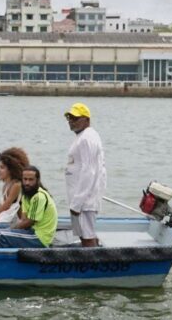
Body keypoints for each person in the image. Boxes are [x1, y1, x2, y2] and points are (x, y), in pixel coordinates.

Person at [64, 102, 107, 247]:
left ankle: (92, 266)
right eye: (69, 118)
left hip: (84, 201)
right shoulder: (83, 137)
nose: (71, 121)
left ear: (86, 120)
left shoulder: (87, 138)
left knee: (87, 236)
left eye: (75, 118)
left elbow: (89, 171)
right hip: (80, 199)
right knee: (84, 235)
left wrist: (77, 203)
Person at [0, 165, 57, 248]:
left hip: (39, 237)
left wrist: (11, 229)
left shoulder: (39, 196)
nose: (27, 183)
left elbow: (29, 222)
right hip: (30, 230)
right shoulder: (26, 195)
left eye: (31, 180)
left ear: (37, 180)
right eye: (25, 179)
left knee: (0, 235)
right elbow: (24, 219)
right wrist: (12, 229)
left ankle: (2, 259)